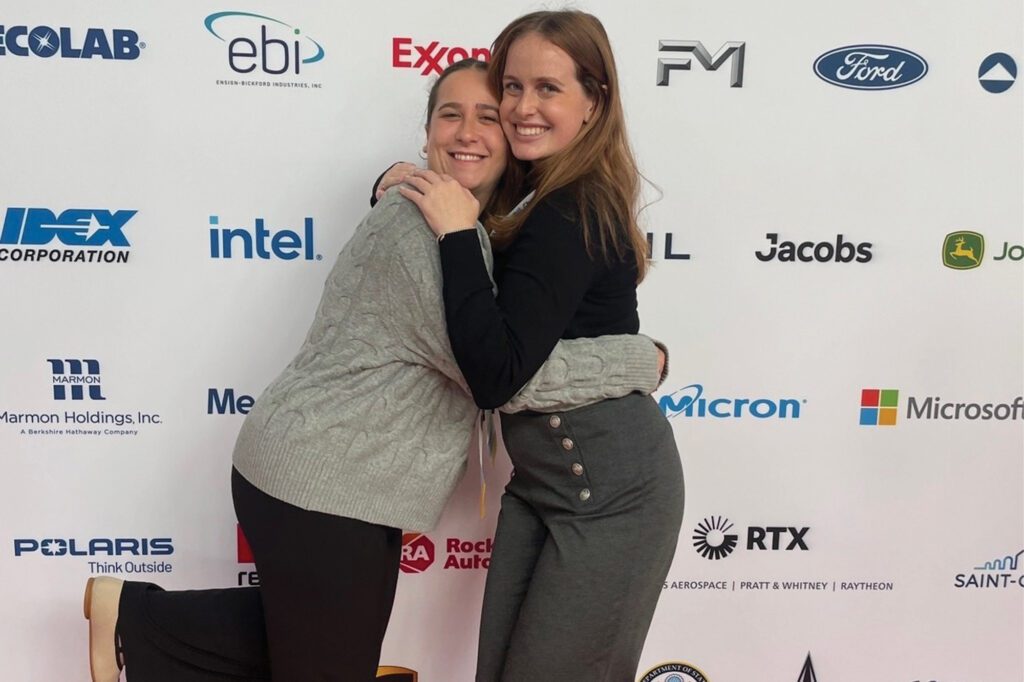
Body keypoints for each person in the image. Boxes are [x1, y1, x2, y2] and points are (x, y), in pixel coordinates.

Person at [82, 59, 666, 682]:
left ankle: (136, 619)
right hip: (320, 481)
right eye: (450, 114)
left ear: (514, 141)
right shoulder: (421, 236)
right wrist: (640, 358)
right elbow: (501, 372)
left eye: (488, 116)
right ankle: (141, 620)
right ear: (426, 134)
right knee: (331, 664)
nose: (467, 131)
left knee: (328, 649)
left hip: (346, 482)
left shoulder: (469, 230)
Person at [397, 12, 686, 681]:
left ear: (595, 102)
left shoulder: (571, 207)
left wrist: (455, 237)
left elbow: (496, 372)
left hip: (614, 495)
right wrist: (397, 178)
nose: (523, 108)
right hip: (541, 484)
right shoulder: (533, 189)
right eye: (513, 86)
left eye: (548, 89)